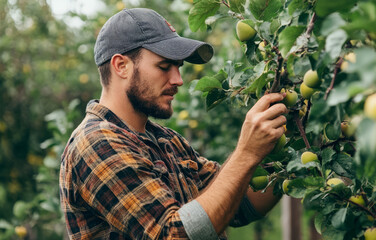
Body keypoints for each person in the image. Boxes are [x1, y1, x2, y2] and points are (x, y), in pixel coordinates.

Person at [59, 8, 287, 239]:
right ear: (121, 66)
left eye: (178, 67)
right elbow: (172, 234)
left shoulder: (168, 141)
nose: (178, 80)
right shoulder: (95, 144)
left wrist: (285, 151)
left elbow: (240, 204)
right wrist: (246, 153)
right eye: (164, 67)